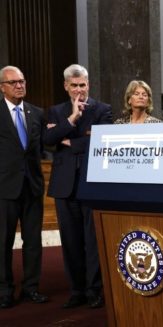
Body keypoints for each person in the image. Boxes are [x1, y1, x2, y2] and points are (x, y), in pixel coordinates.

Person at [44, 64, 112, 308]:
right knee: (71, 242)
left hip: (92, 183)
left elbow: (102, 143)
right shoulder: (56, 111)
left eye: (82, 85)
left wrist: (69, 142)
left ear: (88, 84)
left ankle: (95, 290)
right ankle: (77, 290)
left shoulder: (103, 110)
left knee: (93, 242)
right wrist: (72, 119)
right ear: (66, 86)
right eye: (74, 86)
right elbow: (48, 141)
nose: (79, 90)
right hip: (64, 186)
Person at [0, 66, 48, 308]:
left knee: (33, 242)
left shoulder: (36, 113)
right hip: (4, 190)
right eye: (13, 82)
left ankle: (31, 288)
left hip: (32, 187)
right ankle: (4, 292)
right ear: (2, 87)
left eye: (22, 81)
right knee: (3, 242)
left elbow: (41, 148)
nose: (19, 85)